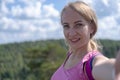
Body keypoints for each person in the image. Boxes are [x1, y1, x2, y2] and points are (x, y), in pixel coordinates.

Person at [51, 1, 115, 80]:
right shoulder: (70, 55)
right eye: (66, 26)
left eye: (78, 25)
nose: (71, 33)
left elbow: (111, 69)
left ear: (92, 27)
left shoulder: (91, 63)